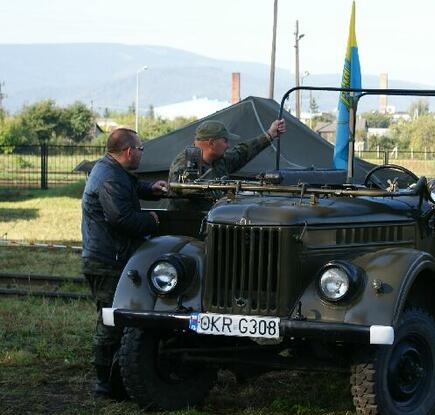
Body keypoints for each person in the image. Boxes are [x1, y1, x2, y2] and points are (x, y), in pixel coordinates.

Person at [81, 128, 167, 399]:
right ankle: (104, 384)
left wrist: (151, 189)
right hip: (107, 260)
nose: (142, 153)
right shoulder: (109, 176)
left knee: (116, 317)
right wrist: (150, 222)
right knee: (111, 320)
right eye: (140, 149)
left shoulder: (111, 170)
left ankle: (115, 379)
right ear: (129, 151)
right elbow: (121, 218)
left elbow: (128, 188)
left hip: (110, 256)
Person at [168, 119, 286, 185]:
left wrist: (270, 135)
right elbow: (182, 194)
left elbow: (242, 152)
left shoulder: (219, 160)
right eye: (225, 141)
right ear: (211, 143)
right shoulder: (184, 166)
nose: (228, 145)